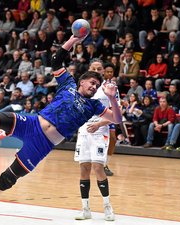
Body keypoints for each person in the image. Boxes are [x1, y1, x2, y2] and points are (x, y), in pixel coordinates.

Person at [0, 35, 122, 222]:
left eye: (97, 85)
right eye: (92, 83)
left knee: (8, 179)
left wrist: (111, 99)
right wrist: (73, 39)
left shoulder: (94, 106)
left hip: (42, 145)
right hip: (32, 124)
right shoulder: (68, 84)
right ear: (82, 82)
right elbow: (56, 60)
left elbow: (116, 119)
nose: (94, 87)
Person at [74, 61, 119, 221]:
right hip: (84, 131)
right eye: (94, 68)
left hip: (100, 131)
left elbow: (117, 113)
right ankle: (85, 208)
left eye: (100, 69)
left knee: (98, 167)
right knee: (84, 168)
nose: (97, 70)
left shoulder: (110, 88)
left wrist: (100, 123)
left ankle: (108, 207)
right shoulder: (83, 88)